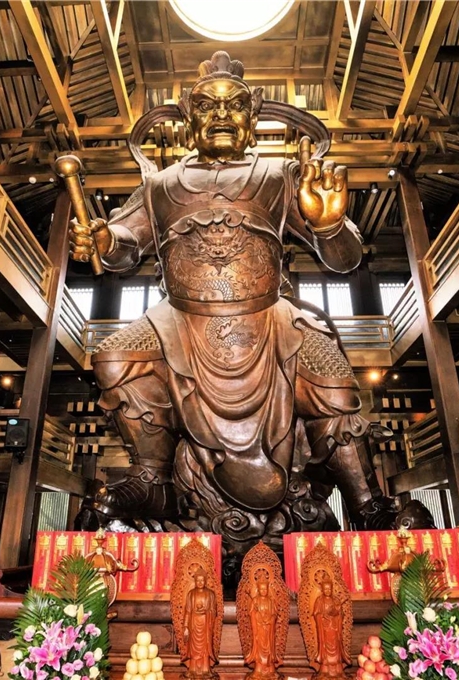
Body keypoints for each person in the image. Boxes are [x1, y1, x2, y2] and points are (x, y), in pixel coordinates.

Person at [69, 50, 400, 549]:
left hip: (270, 317)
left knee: (330, 380)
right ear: (187, 118)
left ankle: (365, 501)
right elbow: (123, 249)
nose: (221, 115)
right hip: (179, 320)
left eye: (234, 105)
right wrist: (103, 240)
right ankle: (153, 476)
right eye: (207, 106)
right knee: (114, 357)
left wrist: (330, 225)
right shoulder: (160, 184)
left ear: (253, 113)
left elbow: (343, 260)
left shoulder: (278, 175)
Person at [183, 568, 218, 678]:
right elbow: (188, 611)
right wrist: (185, 627)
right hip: (193, 625)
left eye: (202, 580)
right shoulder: (191, 594)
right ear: (195, 581)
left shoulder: (210, 594)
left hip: (205, 625)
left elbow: (214, 611)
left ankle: (206, 669)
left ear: (205, 581)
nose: (200, 583)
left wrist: (206, 611)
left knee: (205, 648)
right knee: (193, 649)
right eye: (198, 580)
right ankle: (192, 669)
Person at [312, 578, 349, 679]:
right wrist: (322, 616)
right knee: (325, 649)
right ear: (322, 589)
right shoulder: (319, 600)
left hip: (334, 628)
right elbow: (316, 613)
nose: (327, 591)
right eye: (325, 589)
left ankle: (338, 669)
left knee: (336, 647)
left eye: (329, 589)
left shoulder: (336, 600)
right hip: (324, 630)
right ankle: (324, 670)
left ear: (332, 589)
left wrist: (337, 612)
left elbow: (341, 614)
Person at [245, 577, 279, 678]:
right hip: (259, 629)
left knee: (269, 649)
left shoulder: (271, 601)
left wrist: (270, 620)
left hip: (268, 630)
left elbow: (274, 614)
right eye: (261, 589)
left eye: (265, 589)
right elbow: (251, 613)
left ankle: (270, 669)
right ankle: (258, 669)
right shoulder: (255, 600)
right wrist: (256, 615)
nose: (263, 591)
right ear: (258, 590)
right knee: (258, 648)